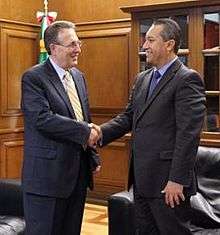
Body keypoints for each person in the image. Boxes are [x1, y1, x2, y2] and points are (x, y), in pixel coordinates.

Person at [91, 18, 206, 234]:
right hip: (142, 179)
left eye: (151, 40)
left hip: (168, 184)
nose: (144, 46)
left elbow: (188, 135)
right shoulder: (143, 78)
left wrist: (177, 180)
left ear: (169, 44)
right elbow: (129, 118)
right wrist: (98, 132)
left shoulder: (187, 79)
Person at [21, 20, 100, 235]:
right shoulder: (34, 78)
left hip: (77, 177)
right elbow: (42, 118)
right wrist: (86, 132)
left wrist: (92, 157)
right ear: (53, 48)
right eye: (72, 44)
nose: (78, 50)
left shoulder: (78, 76)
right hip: (46, 180)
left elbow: (84, 116)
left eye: (78, 43)